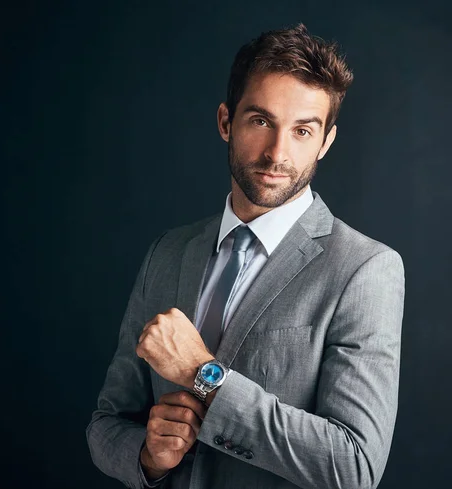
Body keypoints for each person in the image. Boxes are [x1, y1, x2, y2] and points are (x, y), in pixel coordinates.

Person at [86, 23, 405, 489]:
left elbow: (354, 468)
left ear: (326, 142)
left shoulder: (364, 270)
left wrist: (202, 374)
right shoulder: (168, 253)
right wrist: (149, 456)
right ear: (225, 122)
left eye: (302, 130)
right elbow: (106, 425)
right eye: (261, 121)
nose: (278, 152)